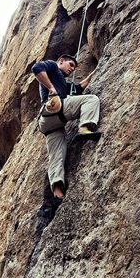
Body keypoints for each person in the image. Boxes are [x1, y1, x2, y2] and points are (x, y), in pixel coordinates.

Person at [32, 54, 100, 201]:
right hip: (54, 107)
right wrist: (50, 88)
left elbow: (80, 86)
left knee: (56, 154)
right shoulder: (52, 65)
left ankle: (57, 191)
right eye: (70, 64)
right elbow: (36, 68)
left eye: (74, 67)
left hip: (47, 123)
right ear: (61, 61)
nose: (72, 69)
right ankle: (84, 128)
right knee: (91, 100)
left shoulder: (63, 83)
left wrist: (97, 70)